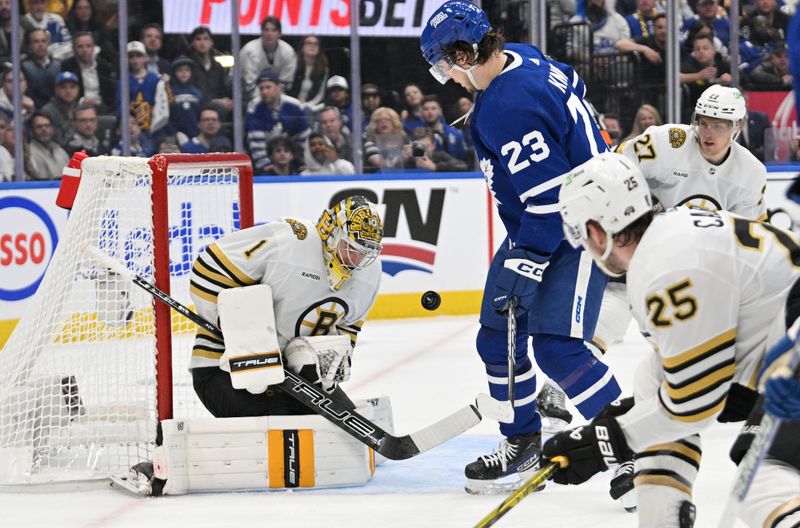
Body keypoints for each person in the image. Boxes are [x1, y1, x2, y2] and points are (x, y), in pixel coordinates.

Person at [420, 0, 619, 494]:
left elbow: (552, 200)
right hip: (547, 221)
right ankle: (523, 442)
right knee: (497, 339)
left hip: (579, 228)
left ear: (464, 54)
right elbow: (572, 84)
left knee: (559, 350)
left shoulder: (507, 108)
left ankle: (639, 451)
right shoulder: (523, 58)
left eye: (445, 65)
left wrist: (527, 264)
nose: (447, 78)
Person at [544, 151, 799, 528]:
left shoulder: (666, 267)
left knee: (764, 485)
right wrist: (632, 419)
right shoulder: (673, 234)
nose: (585, 245)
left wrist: (609, 439)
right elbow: (692, 385)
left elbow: (697, 402)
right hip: (780, 344)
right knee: (652, 378)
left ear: (599, 230)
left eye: (582, 233)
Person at [188, 195, 383, 419]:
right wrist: (244, 338)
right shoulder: (291, 241)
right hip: (222, 368)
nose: (357, 259)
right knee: (283, 424)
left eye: (367, 251)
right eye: (351, 247)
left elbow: (349, 328)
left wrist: (327, 364)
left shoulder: (369, 274)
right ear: (331, 232)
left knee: (343, 428)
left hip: (295, 378)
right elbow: (208, 269)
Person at [245, 68, 309, 173]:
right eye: (261, 88)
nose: (264, 92)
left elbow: (303, 138)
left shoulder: (294, 106)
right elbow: (255, 142)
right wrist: (266, 166)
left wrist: (303, 163)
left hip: (292, 159)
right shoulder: (254, 107)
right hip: (265, 163)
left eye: (268, 87)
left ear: (279, 87)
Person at [240, 16, 297, 100]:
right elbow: (249, 84)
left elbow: (285, 83)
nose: (269, 34)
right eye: (266, 30)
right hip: (243, 88)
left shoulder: (288, 52)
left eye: (274, 30)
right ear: (261, 32)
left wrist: (273, 99)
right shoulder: (249, 51)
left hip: (276, 93)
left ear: (279, 34)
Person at [125, 40, 170, 145]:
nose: (135, 60)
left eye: (138, 56)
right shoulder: (124, 81)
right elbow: (120, 107)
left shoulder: (156, 79)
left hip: (155, 129)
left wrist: (166, 86)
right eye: (131, 57)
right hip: (132, 130)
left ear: (145, 58)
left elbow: (167, 104)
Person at [60, 31, 117, 113]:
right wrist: (82, 100)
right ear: (73, 49)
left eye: (88, 46)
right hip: (78, 108)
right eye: (80, 46)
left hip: (102, 108)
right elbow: (65, 92)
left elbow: (110, 95)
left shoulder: (104, 66)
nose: (85, 50)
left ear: (93, 48)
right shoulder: (67, 66)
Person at [186, 26, 232, 119]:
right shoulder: (188, 65)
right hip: (197, 105)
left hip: (218, 104)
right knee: (220, 109)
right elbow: (192, 93)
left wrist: (228, 100)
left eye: (206, 39)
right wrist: (215, 101)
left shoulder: (218, 66)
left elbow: (222, 89)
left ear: (211, 42)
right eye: (198, 39)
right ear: (192, 43)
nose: (202, 43)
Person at [286, 35, 328, 114]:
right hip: (290, 103)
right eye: (308, 43)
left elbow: (320, 95)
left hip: (310, 106)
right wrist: (297, 103)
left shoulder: (323, 69)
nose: (312, 46)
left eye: (316, 44)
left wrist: (307, 105)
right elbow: (286, 88)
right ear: (302, 47)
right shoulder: (293, 63)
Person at [21, 28, 62, 109]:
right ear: (29, 45)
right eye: (36, 41)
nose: (40, 45)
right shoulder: (23, 66)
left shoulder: (59, 64)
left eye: (43, 41)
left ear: (48, 44)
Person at [168, 56, 205, 142]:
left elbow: (202, 114)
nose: (184, 73)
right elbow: (167, 116)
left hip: (196, 134)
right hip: (176, 136)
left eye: (187, 70)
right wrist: (174, 133)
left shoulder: (197, 92)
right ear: (174, 73)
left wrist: (201, 133)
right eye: (180, 70)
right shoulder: (169, 93)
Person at [41, 70, 80, 146]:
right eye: (63, 87)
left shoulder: (81, 109)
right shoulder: (47, 112)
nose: (68, 91)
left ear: (78, 89)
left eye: (72, 87)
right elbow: (58, 142)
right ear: (56, 90)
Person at [404, 127, 468, 173]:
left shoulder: (440, 156)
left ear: (433, 146)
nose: (422, 149)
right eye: (418, 146)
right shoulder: (409, 160)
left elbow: (462, 165)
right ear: (412, 146)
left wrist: (435, 167)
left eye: (426, 146)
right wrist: (402, 160)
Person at [28, 111, 69, 179]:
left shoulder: (61, 151)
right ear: (32, 130)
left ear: (52, 129)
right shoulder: (30, 153)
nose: (44, 129)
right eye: (39, 126)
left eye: (47, 126)